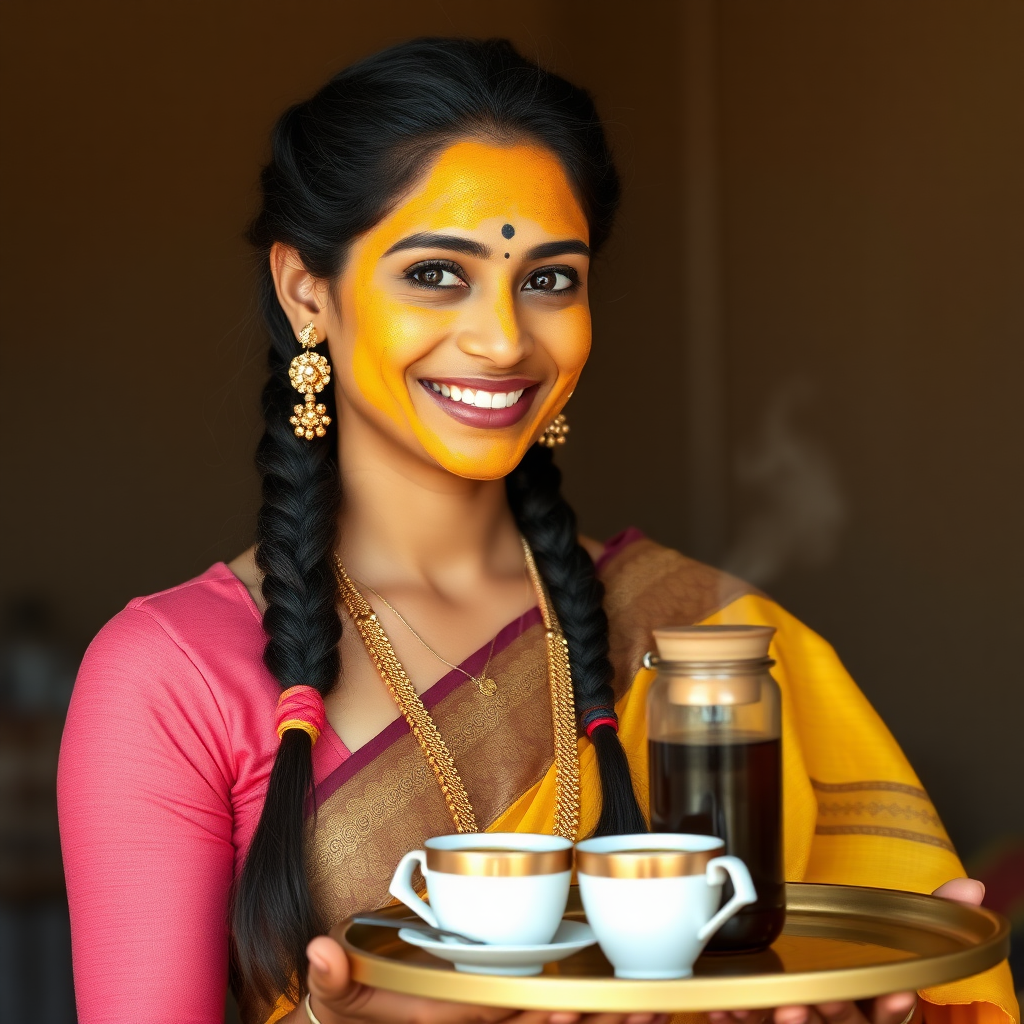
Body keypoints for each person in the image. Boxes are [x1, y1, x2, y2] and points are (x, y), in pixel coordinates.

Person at [57, 37, 1016, 1024]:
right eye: (436, 273)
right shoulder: (168, 677)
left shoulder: (697, 632)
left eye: (549, 280)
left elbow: (823, 961)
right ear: (307, 292)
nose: (505, 338)